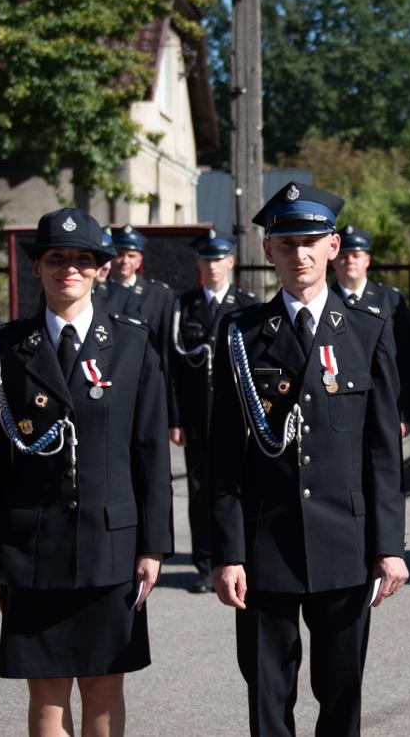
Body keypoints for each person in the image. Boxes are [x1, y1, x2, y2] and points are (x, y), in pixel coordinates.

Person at [209, 182, 407, 737]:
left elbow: (383, 452)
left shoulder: (368, 329)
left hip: (345, 542)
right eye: (287, 242)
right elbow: (224, 455)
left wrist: (389, 546)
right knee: (268, 695)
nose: (300, 254)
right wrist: (228, 553)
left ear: (334, 247)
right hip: (264, 543)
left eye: (311, 241)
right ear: (269, 251)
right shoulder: (241, 335)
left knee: (342, 693)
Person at [0, 206, 171, 737]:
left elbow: (149, 449)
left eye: (84, 259)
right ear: (36, 267)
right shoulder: (5, 348)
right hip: (33, 544)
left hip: (111, 544)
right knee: (47, 689)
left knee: (105, 685)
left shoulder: (131, 343)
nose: (70, 269)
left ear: (102, 269)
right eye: (56, 258)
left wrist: (154, 545)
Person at [170, 230, 261, 593]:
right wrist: (175, 417)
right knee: (199, 490)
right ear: (199, 264)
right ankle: (205, 563)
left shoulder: (247, 303)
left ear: (230, 262)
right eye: (205, 259)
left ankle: (239, 555)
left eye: (218, 258)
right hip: (196, 415)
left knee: (239, 485)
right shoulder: (184, 306)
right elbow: (173, 367)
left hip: (236, 414)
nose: (212, 265)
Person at [332, 225, 410, 432]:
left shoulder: (390, 299)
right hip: (339, 403)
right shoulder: (324, 300)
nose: (349, 261)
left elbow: (406, 359)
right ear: (334, 260)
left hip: (384, 401)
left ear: (367, 261)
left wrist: (403, 412)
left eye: (356, 255)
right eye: (343, 256)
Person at [105, 225, 177, 364]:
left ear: (139, 261)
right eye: (119, 254)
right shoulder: (98, 292)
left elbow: (165, 349)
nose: (125, 261)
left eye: (131, 256)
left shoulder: (159, 295)